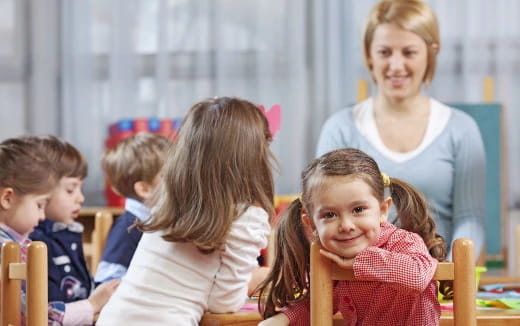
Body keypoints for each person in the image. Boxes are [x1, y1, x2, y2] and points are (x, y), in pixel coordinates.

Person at [315, 0, 486, 261]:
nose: (396, 65)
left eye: (409, 52)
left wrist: (450, 276)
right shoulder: (339, 129)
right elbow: (323, 213)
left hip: (438, 279)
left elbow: (470, 218)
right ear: (369, 54)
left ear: (431, 53)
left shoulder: (461, 130)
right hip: (358, 282)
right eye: (384, 52)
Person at [97, 96, 275, 325]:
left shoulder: (167, 202)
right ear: (256, 156)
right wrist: (254, 280)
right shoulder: (247, 217)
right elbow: (224, 302)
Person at [257, 148, 449, 326]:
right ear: (311, 223)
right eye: (329, 215)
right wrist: (282, 319)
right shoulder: (330, 255)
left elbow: (418, 276)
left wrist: (360, 261)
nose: (346, 226)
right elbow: (317, 303)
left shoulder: (403, 241)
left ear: (383, 210)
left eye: (358, 210)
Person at [28, 135, 119, 325]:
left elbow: (82, 288)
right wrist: (93, 304)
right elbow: (47, 311)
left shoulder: (68, 232)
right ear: (40, 190)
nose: (80, 198)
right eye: (71, 190)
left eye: (81, 188)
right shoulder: (35, 241)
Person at [94, 132, 171, 284]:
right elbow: (105, 283)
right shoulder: (127, 229)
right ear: (144, 189)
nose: (180, 179)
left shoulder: (162, 218)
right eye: (169, 175)